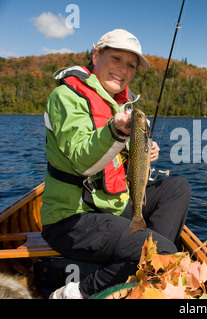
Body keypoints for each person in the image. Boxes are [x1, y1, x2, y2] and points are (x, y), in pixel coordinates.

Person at [40, 29, 190, 299]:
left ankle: (142, 258)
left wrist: (142, 151)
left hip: (112, 208)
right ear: (96, 55)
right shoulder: (65, 97)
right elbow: (83, 161)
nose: (123, 69)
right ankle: (77, 291)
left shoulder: (119, 105)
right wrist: (116, 131)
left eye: (131, 65)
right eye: (116, 58)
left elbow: (114, 162)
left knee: (177, 188)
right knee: (162, 252)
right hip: (72, 219)